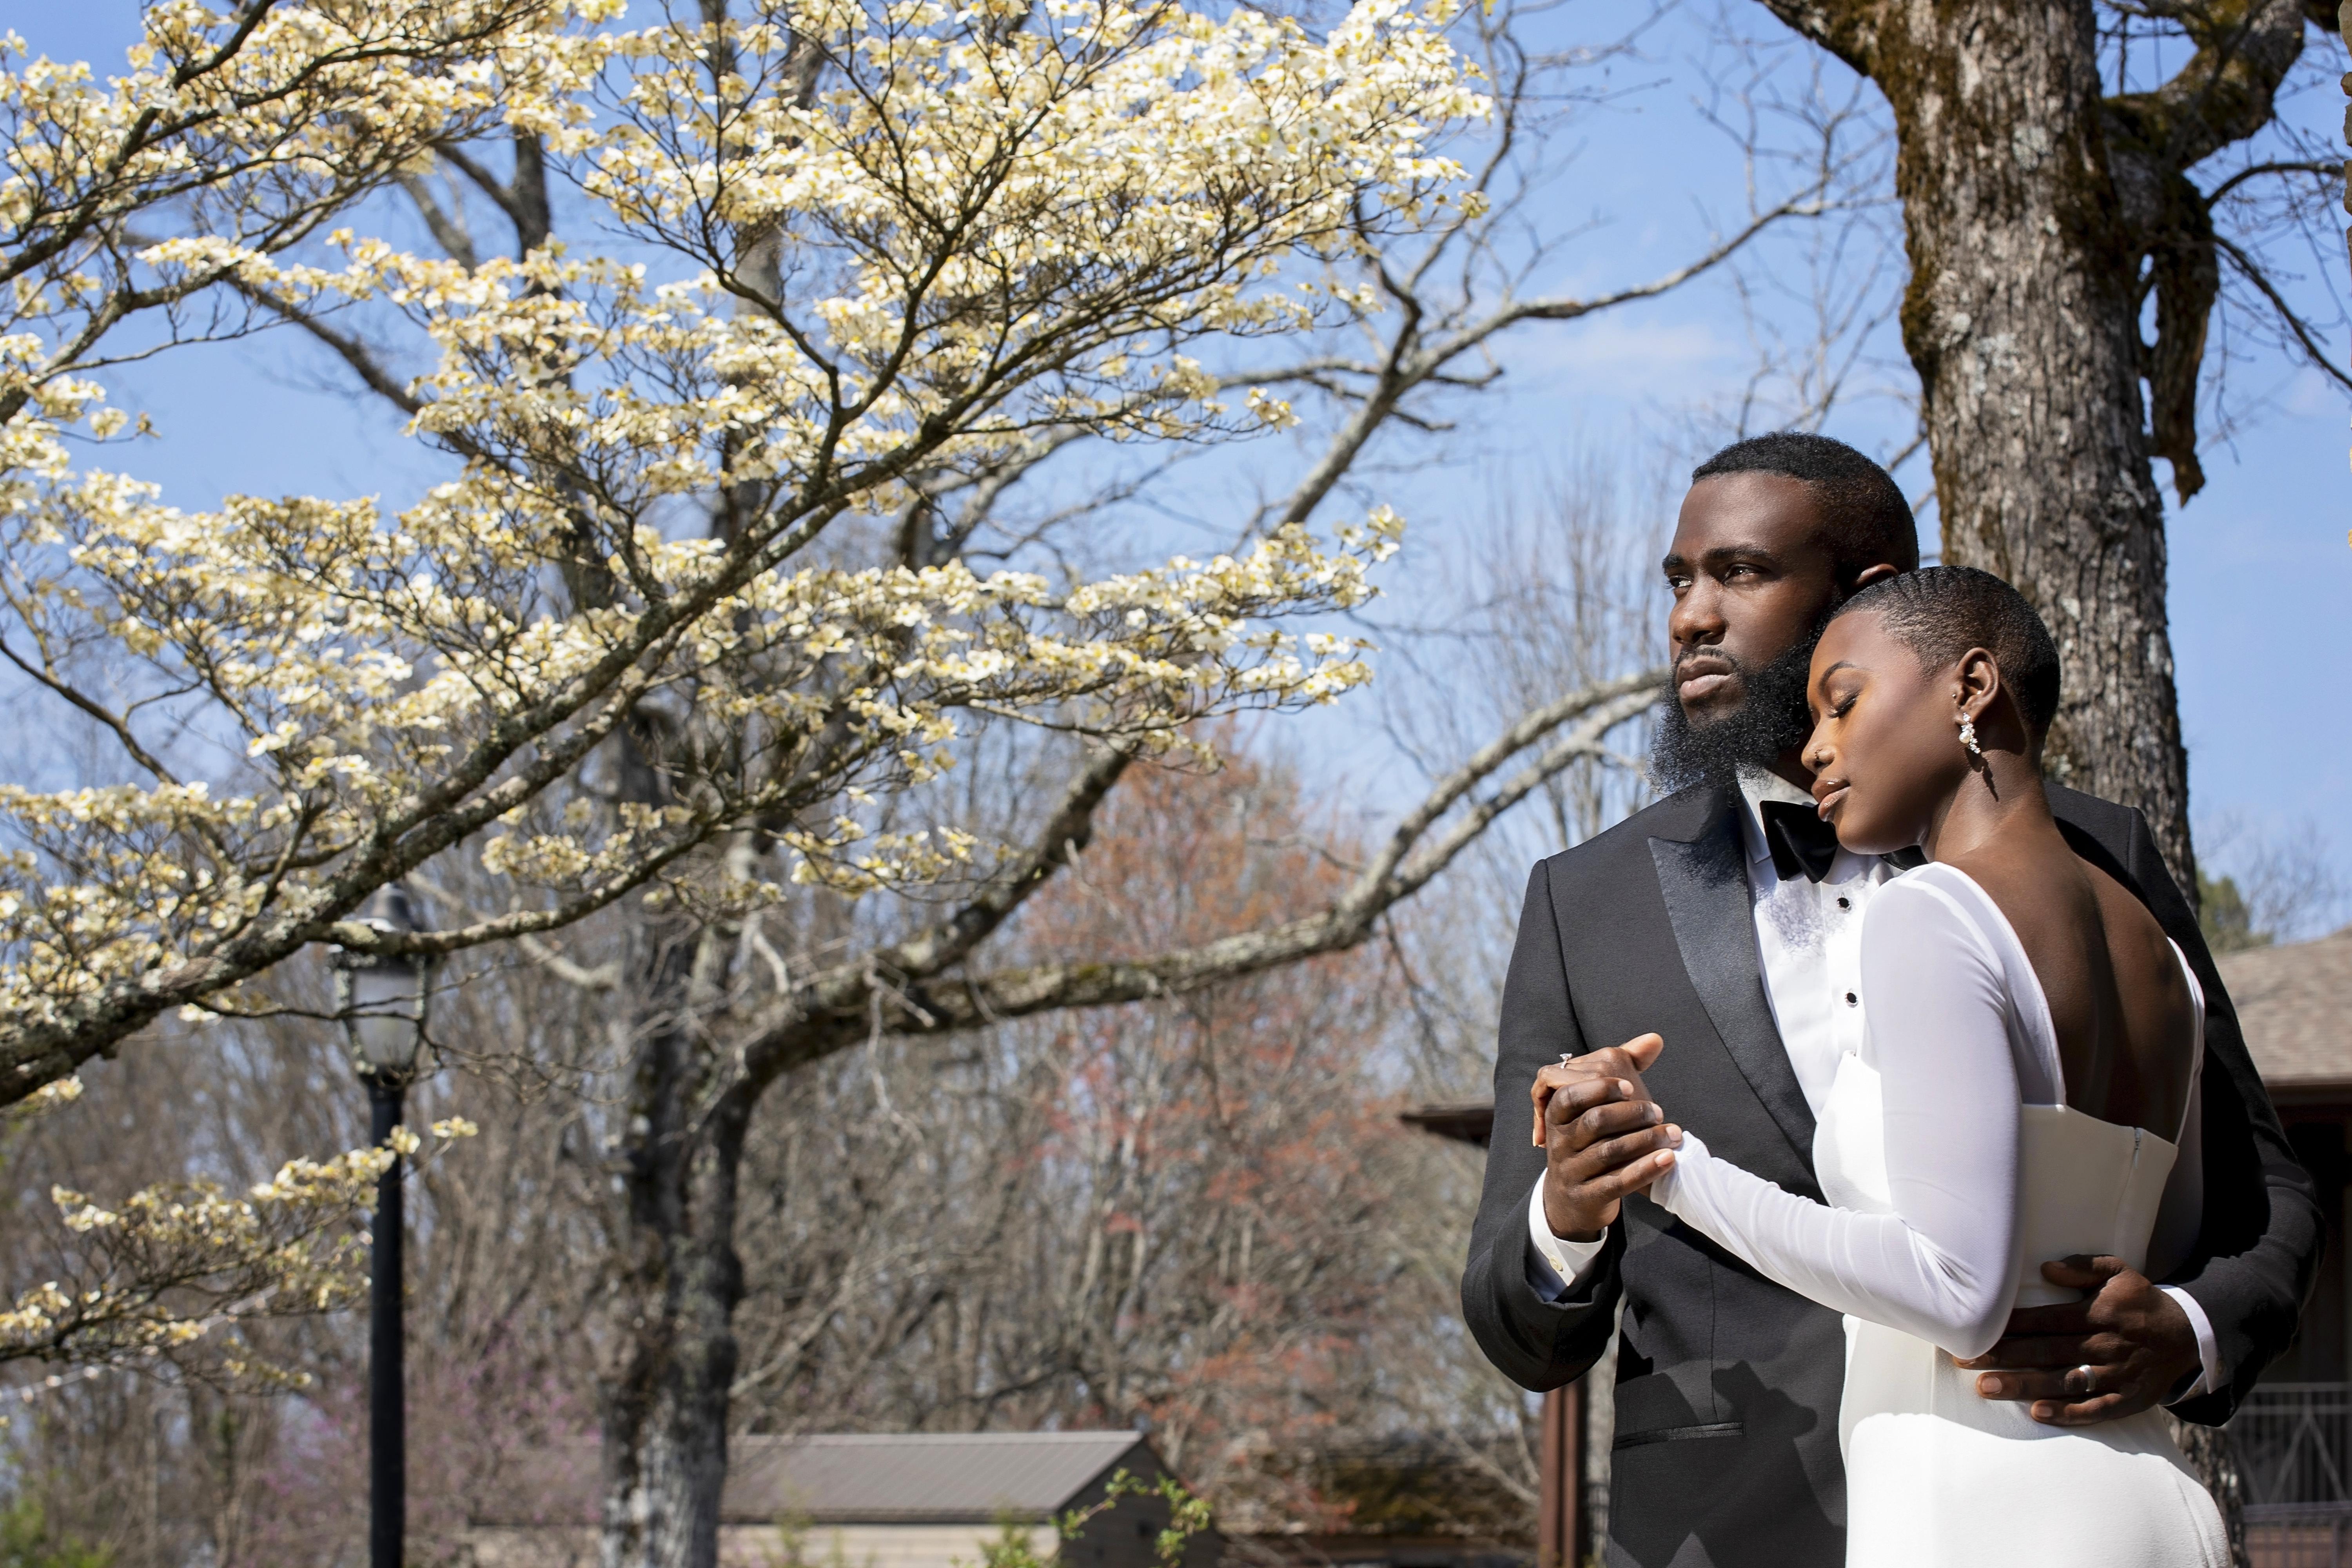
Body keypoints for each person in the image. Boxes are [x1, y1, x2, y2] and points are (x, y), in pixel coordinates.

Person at [1459, 433, 2320, 1568]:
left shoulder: (2097, 858)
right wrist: (1570, 1210)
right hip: (1726, 1535)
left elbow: (2266, 1189)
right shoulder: (1585, 901)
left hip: (2041, 1502)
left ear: (1866, 592)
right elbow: (1515, 1324)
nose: (1691, 618)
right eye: (1678, 581)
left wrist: (2191, 1327)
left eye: (1741, 572)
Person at [1575, 566, 2226, 1563]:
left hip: (1979, 1506)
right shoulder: (2164, 962)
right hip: (2151, 1498)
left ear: (1973, 687)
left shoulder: (1931, 912)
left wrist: (1669, 1166)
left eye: (1843, 702)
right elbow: (2169, 1247)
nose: (1814, 747)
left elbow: (1958, 1290)